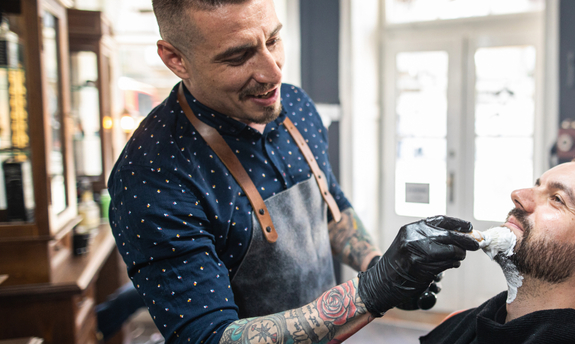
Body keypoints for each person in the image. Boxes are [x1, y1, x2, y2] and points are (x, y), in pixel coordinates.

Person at [108, 0, 479, 343]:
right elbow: (208, 336)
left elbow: (330, 205)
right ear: (176, 60)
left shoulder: (296, 106)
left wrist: (378, 265)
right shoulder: (151, 177)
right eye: (239, 56)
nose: (273, 72)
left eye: (273, 40)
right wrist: (371, 291)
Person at [421, 156, 575, 344]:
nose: (518, 196)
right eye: (536, 186)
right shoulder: (460, 324)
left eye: (557, 199)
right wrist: (382, 289)